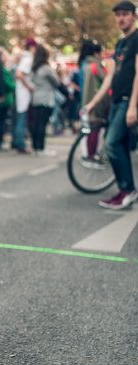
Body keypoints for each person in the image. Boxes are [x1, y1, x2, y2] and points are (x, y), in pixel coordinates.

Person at [85, 0, 138, 209]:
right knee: (120, 145)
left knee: (111, 143)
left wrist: (133, 106)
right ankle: (126, 190)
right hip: (116, 100)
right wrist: (92, 103)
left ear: (134, 16)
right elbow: (109, 77)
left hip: (127, 100)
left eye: (125, 14)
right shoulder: (120, 43)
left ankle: (128, 189)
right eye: (118, 15)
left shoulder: (136, 39)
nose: (121, 18)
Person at [29, 44, 60, 154]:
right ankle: (41, 148)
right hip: (46, 99)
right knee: (43, 124)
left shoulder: (34, 68)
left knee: (36, 123)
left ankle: (35, 147)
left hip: (36, 98)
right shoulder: (47, 68)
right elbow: (57, 82)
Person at [12, 38, 37, 153]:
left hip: (20, 91)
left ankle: (17, 142)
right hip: (23, 93)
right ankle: (20, 144)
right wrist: (29, 86)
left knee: (19, 117)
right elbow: (19, 74)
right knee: (22, 117)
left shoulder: (24, 57)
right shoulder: (28, 58)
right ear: (32, 47)